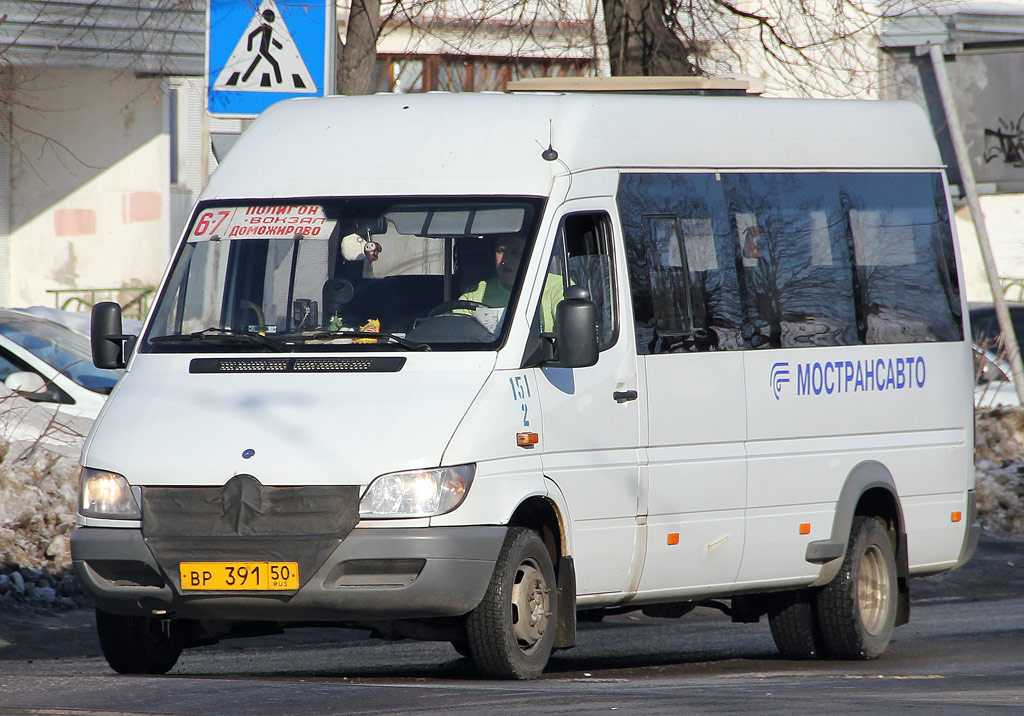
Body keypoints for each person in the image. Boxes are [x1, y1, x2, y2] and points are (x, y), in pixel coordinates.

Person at [458, 235, 564, 332]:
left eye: (515, 252)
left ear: (532, 255)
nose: (505, 260)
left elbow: (570, 335)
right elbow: (456, 331)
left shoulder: (558, 287)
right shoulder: (474, 294)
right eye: (501, 251)